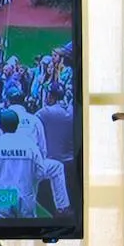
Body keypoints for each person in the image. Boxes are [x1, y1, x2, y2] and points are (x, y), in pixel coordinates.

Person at [0, 109, 70, 218]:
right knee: (27, 232)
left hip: (2, 194)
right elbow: (40, 171)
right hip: (25, 194)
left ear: (0, 126)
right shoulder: (30, 145)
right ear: (17, 125)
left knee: (2, 230)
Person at [36, 83, 77, 213]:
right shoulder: (72, 111)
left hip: (53, 166)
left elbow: (30, 123)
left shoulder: (45, 113)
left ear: (50, 96)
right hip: (72, 165)